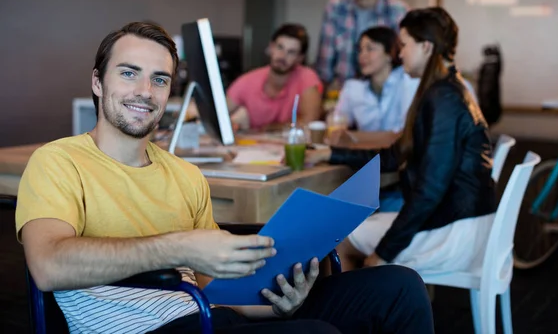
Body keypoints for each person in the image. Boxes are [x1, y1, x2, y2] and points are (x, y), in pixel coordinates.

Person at [15, 22, 435, 334]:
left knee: (399, 286)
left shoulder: (185, 176)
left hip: (209, 313)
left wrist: (278, 302)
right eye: (128, 73)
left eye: (159, 79)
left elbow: (217, 287)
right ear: (97, 82)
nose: (145, 90)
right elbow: (49, 265)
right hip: (147, 328)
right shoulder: (58, 161)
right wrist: (178, 246)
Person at [307, 7, 497, 274]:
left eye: (404, 45)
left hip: (453, 230)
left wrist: (384, 252)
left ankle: (347, 314)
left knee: (337, 240)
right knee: (345, 228)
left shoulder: (444, 99)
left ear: (426, 47)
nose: (399, 53)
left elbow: (430, 191)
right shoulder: (442, 90)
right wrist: (329, 154)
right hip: (455, 216)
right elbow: (394, 156)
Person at [315, 0, 409, 90]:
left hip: (385, 90)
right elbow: (325, 55)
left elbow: (403, 57)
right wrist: (324, 90)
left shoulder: (397, 10)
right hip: (343, 88)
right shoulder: (336, 6)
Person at [226, 24, 323, 131]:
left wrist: (271, 128)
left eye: (291, 52)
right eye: (280, 47)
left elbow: (309, 123)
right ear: (271, 47)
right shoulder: (248, 80)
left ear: (300, 58)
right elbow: (218, 113)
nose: (282, 56)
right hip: (255, 145)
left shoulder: (307, 78)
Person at [334, 26, 419, 133]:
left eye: (370, 49)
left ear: (389, 54)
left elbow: (406, 131)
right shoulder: (353, 87)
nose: (362, 55)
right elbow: (337, 123)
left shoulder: (407, 80)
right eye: (360, 50)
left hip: (397, 149)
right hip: (364, 149)